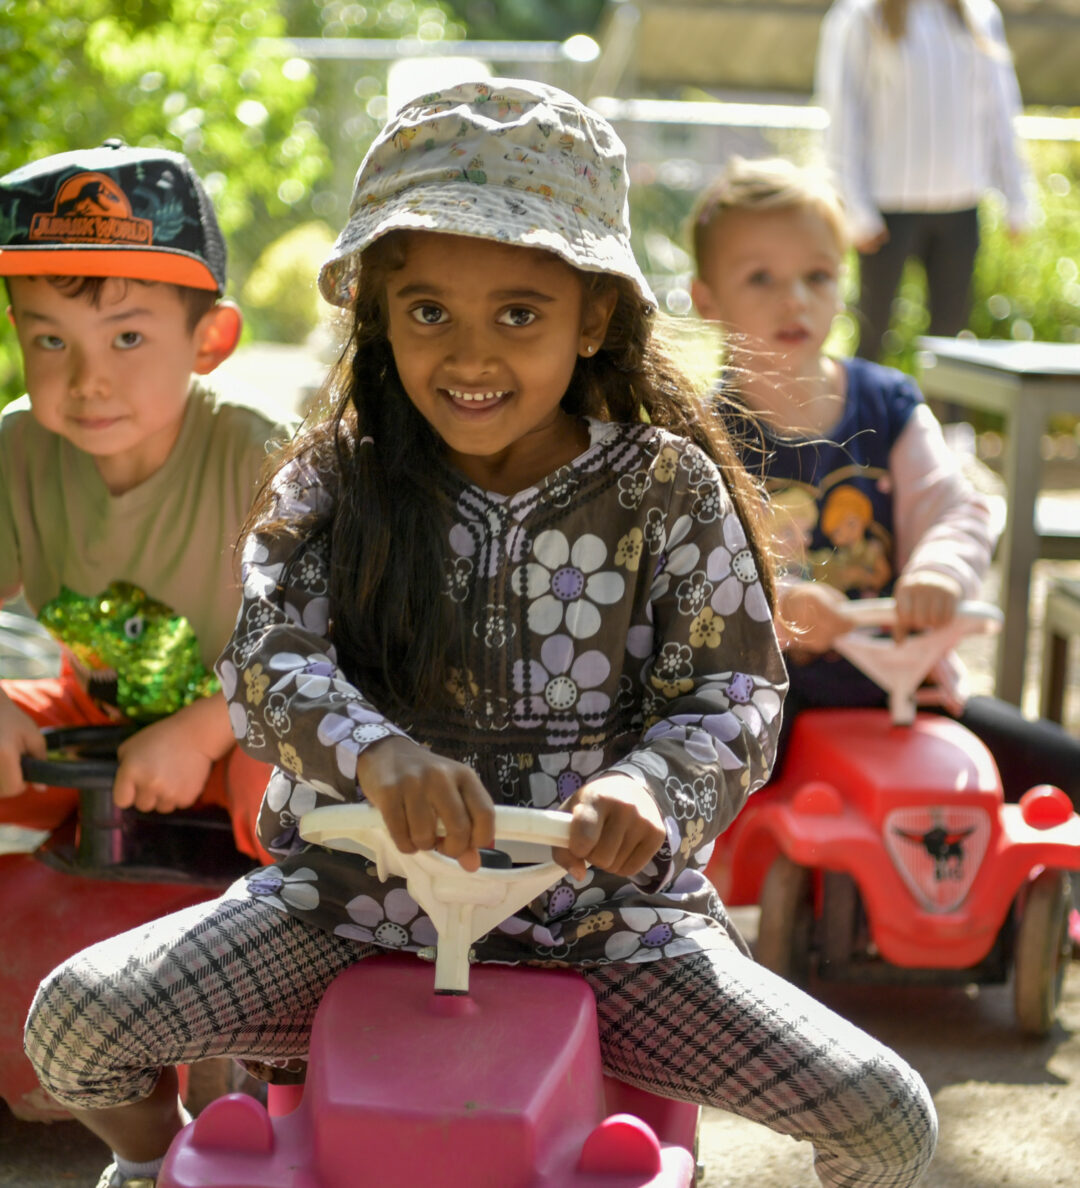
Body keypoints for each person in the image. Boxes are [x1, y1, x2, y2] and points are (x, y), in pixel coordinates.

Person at [25, 83, 937, 1188]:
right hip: (342, 914)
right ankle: (162, 1162)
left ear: (592, 315)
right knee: (72, 1026)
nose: (470, 355)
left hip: (616, 935)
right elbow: (268, 662)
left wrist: (651, 788)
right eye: (427, 313)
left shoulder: (664, 490)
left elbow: (735, 698)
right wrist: (376, 751)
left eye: (518, 313)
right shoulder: (337, 480)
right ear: (378, 310)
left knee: (888, 1120)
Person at [689, 153, 1080, 810]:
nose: (796, 299)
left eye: (817, 275)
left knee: (1055, 766)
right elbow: (691, 565)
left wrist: (938, 573)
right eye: (761, 278)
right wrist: (774, 603)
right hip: (762, 706)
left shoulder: (888, 407)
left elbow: (958, 509)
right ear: (706, 299)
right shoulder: (703, 434)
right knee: (684, 792)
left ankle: (1023, 905)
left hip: (900, 692)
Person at [0, 140, 292, 862]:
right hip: (94, 719)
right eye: (51, 339)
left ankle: (284, 944)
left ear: (210, 340)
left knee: (281, 791)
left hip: (248, 723)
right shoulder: (18, 450)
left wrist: (203, 729)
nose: (88, 379)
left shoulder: (256, 455)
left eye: (127, 336)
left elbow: (335, 640)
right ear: (16, 335)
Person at [815, 0, 1032, 360]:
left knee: (951, 339)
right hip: (887, 211)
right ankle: (868, 415)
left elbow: (1000, 111)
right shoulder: (861, 16)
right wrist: (855, 209)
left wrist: (1018, 198)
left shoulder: (980, 15)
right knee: (873, 331)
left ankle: (946, 417)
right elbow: (843, 115)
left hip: (960, 208)